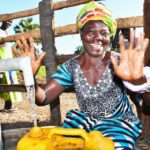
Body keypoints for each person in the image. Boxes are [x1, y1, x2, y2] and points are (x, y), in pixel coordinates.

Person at [13, 1, 150, 149]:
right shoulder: (71, 67)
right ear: (81, 34)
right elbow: (43, 98)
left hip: (118, 123)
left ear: (109, 36)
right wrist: (30, 76)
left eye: (104, 32)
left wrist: (140, 83)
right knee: (61, 144)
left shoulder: (120, 62)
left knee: (113, 146)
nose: (98, 37)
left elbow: (148, 105)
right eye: (90, 32)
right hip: (84, 121)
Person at [0, 20, 22, 112]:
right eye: (7, 22)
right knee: (5, 81)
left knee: (10, 80)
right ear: (2, 22)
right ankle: (8, 105)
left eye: (11, 23)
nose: (9, 24)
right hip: (2, 59)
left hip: (8, 59)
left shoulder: (6, 32)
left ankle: (9, 105)